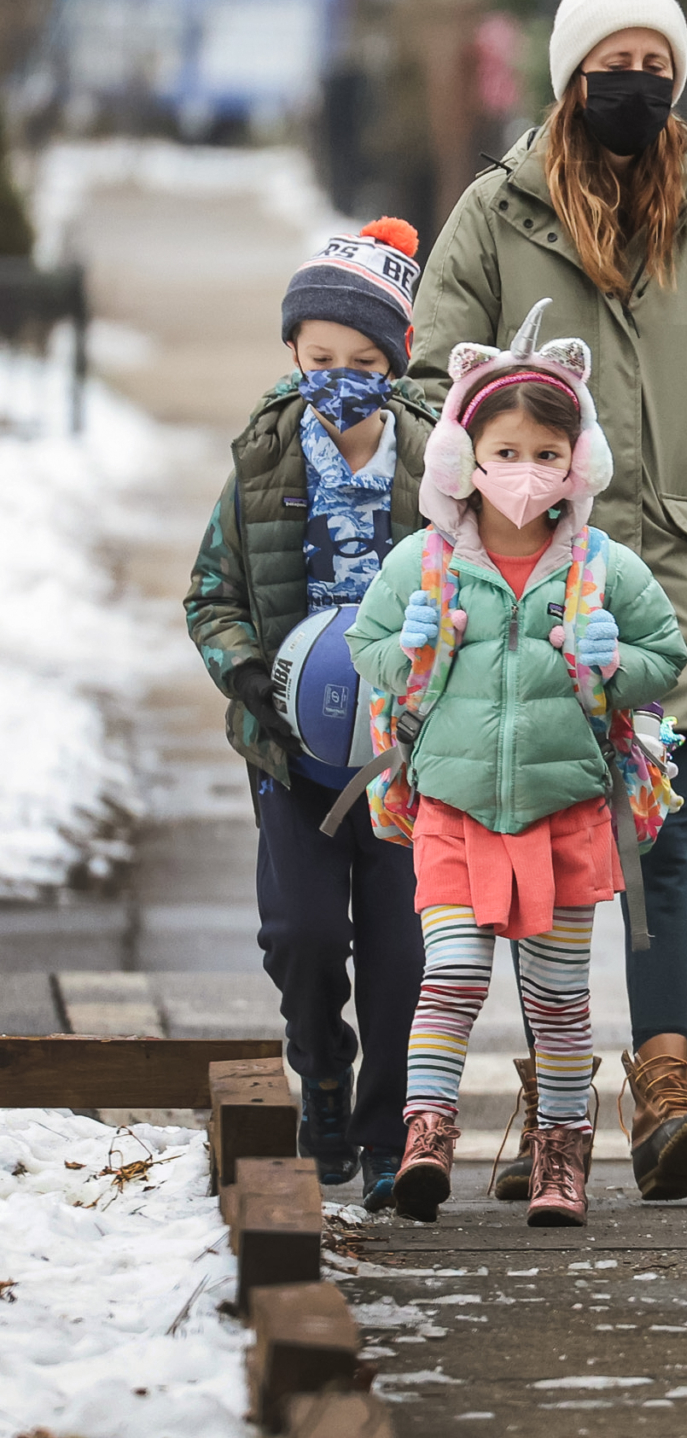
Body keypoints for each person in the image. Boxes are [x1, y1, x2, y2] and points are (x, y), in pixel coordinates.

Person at [411, 0, 687, 1200]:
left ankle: (669, 1082)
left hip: (673, 572)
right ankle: (553, 1094)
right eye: (614, 66)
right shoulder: (497, 213)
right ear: (573, 76)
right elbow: (428, 385)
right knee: (537, 842)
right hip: (525, 581)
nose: (638, 86)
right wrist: (489, 481)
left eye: (657, 67)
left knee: (662, 841)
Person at [355, 311, 687, 1227]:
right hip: (455, 806)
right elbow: (367, 643)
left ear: (577, 462)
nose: (525, 469)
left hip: (565, 810)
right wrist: (401, 649)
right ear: (466, 456)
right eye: (506, 448)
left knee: (558, 998)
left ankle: (561, 1155)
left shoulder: (602, 565)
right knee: (452, 975)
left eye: (548, 449)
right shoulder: (422, 563)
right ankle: (427, 1135)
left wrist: (619, 659)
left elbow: (668, 656)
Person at [183, 217, 437, 1210]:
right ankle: (319, 1067)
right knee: (299, 933)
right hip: (290, 751)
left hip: (406, 754)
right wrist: (249, 679)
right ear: (293, 352)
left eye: (362, 360)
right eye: (320, 356)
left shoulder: (434, 466)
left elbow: (468, 583)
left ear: (394, 364)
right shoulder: (261, 463)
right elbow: (211, 594)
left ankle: (381, 1131)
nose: (338, 376)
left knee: (401, 951)